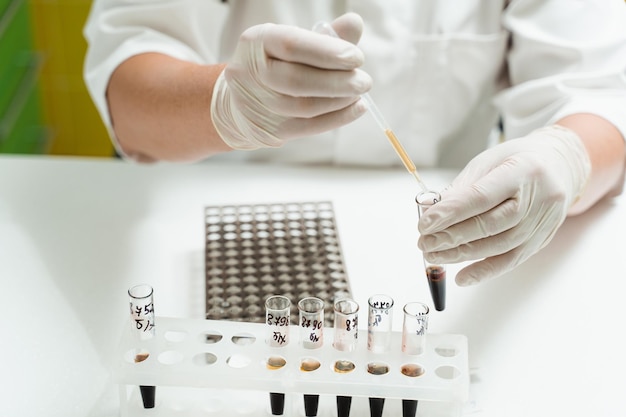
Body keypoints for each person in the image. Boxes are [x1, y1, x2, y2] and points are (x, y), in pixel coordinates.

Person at [83, 1, 626, 286]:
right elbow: (129, 78)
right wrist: (222, 103)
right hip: (210, 230)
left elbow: (597, 94)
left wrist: (568, 156)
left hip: (436, 232)